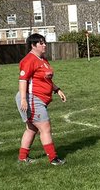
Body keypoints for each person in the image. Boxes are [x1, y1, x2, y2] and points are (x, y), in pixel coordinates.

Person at [16, 33, 67, 165]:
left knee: (32, 128)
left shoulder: (43, 60)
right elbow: (23, 80)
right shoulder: (29, 60)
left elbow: (47, 79)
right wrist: (23, 99)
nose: (45, 45)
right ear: (33, 46)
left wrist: (57, 89)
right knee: (45, 127)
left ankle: (22, 158)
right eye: (41, 43)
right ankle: (53, 158)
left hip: (39, 99)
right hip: (32, 98)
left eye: (44, 42)